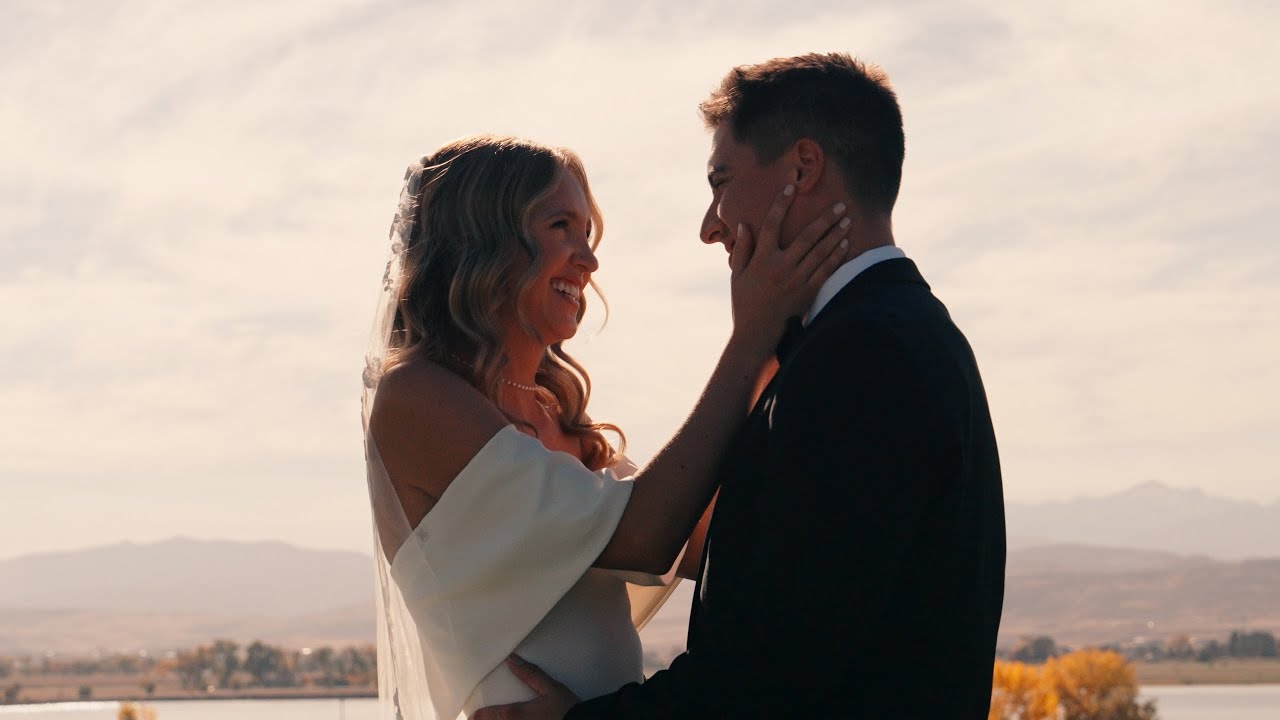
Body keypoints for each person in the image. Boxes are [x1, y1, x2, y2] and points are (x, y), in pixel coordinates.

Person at [476, 53, 1006, 720]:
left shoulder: (863, 356)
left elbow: (772, 676)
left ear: (803, 169)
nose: (709, 225)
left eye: (720, 181)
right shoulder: (895, 335)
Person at [360, 134, 852, 719]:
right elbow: (645, 536)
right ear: (482, 238)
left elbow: (710, 542)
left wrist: (788, 329)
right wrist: (751, 339)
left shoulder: (553, 414)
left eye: (587, 235)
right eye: (560, 227)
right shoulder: (416, 396)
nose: (588, 260)